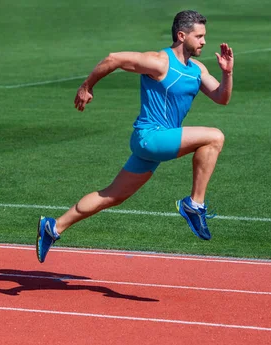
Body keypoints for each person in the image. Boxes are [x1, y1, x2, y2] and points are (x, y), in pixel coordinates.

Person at [36, 10, 234, 263]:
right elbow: (114, 58)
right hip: (150, 138)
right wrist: (87, 86)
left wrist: (227, 73)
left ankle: (53, 227)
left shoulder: (197, 69)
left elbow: (221, 98)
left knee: (112, 196)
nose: (204, 41)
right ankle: (194, 205)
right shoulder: (159, 62)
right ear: (182, 35)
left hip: (156, 144)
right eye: (199, 36)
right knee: (214, 137)